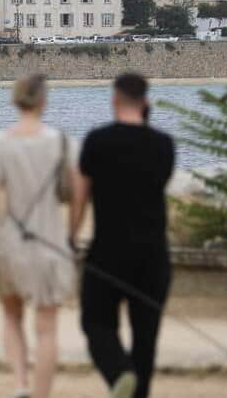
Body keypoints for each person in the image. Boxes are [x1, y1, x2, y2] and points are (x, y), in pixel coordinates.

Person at [70, 73, 175, 398]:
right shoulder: (163, 145)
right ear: (145, 103)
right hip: (154, 255)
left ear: (114, 100)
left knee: (95, 323)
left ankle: (119, 372)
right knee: (146, 340)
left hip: (108, 252)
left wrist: (70, 235)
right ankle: (134, 385)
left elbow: (81, 194)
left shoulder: (97, 141)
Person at [0, 74, 78, 398]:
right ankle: (42, 394)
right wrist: (72, 235)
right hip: (50, 242)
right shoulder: (62, 142)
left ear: (15, 100)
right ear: (44, 102)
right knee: (47, 329)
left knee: (11, 316)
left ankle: (20, 384)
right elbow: (76, 193)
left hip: (12, 242)